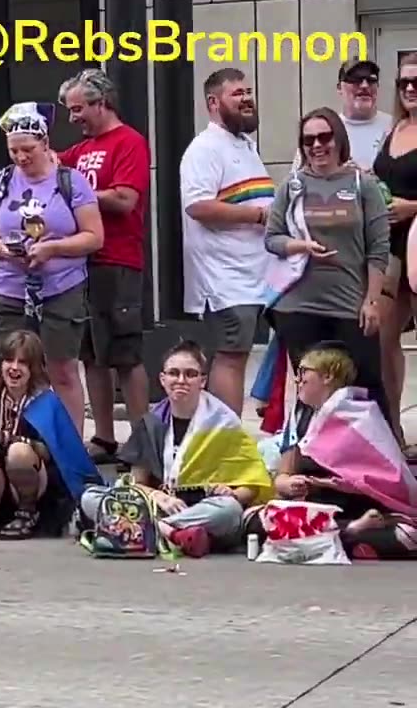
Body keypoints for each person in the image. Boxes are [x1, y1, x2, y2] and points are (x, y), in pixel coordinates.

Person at [0, 101, 104, 434]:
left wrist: (54, 248)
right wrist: (4, 250)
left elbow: (93, 236)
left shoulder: (71, 182)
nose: (21, 157)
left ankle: (69, 449)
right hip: (10, 289)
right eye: (13, 150)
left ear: (46, 143)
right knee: (9, 369)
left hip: (60, 287)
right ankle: (7, 439)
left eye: (28, 149)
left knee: (62, 369)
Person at [80, 340, 272, 557]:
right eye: (174, 373)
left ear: (202, 380)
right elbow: (136, 484)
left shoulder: (224, 423)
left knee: (229, 510)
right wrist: (159, 498)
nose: (181, 380)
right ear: (163, 379)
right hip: (161, 504)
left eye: (190, 374)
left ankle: (144, 531)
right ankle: (173, 534)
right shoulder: (151, 423)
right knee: (91, 497)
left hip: (202, 509)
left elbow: (253, 487)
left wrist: (234, 494)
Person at [264, 107, 390, 424]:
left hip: (350, 305)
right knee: (312, 393)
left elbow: (378, 248)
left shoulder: (363, 185)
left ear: (339, 139)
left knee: (366, 388)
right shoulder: (291, 186)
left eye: (324, 137)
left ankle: (377, 463)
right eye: (308, 140)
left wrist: (372, 300)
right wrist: (300, 246)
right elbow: (272, 239)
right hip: (299, 307)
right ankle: (311, 462)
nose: (317, 145)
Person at [56, 68, 152, 462]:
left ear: (101, 102)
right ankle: (104, 437)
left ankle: (145, 438)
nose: (73, 117)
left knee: (125, 353)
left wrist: (80, 195)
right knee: (91, 354)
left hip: (118, 260)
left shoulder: (129, 142)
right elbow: (49, 169)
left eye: (78, 109)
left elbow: (126, 199)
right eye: (68, 110)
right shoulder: (76, 152)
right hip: (80, 265)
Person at [0, 330, 103, 540]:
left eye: (23, 362)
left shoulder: (47, 404)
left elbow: (51, 453)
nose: (14, 367)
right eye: (9, 360)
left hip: (36, 488)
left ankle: (27, 514)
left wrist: (9, 440)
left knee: (19, 452)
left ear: (34, 369)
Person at [264, 342, 417, 559]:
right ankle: (350, 534)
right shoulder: (299, 417)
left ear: (327, 376)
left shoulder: (363, 417)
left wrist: (333, 484)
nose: (298, 379)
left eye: (303, 371)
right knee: (257, 520)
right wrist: (288, 484)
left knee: (408, 533)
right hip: (314, 507)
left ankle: (339, 536)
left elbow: (384, 482)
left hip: (354, 506)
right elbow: (283, 476)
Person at [179, 67, 274, 417]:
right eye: (238, 93)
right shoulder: (204, 149)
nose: (247, 98)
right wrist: (259, 216)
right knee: (231, 357)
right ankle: (227, 443)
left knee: (242, 356)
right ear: (213, 102)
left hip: (255, 276)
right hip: (225, 280)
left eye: (248, 91)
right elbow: (198, 206)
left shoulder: (244, 145)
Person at [375, 53, 417, 450]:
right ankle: (393, 430)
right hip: (392, 248)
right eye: (403, 82)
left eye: (416, 81)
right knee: (385, 339)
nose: (409, 88)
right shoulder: (395, 129)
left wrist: (413, 207)